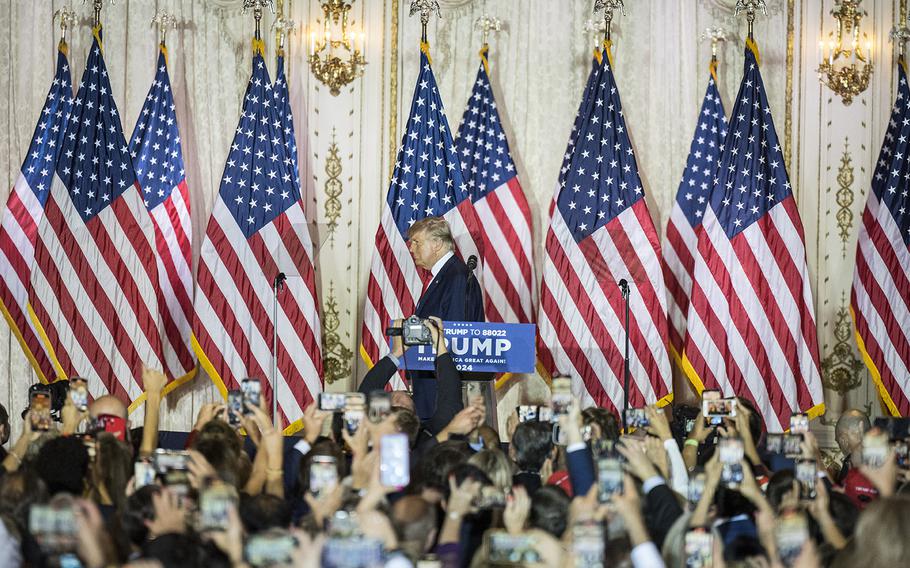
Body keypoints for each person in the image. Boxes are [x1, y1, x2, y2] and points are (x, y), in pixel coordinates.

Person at [406, 216, 484, 420]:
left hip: (440, 396)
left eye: (416, 242)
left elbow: (455, 335)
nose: (411, 248)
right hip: (430, 389)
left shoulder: (457, 277)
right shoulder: (444, 276)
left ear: (437, 244)